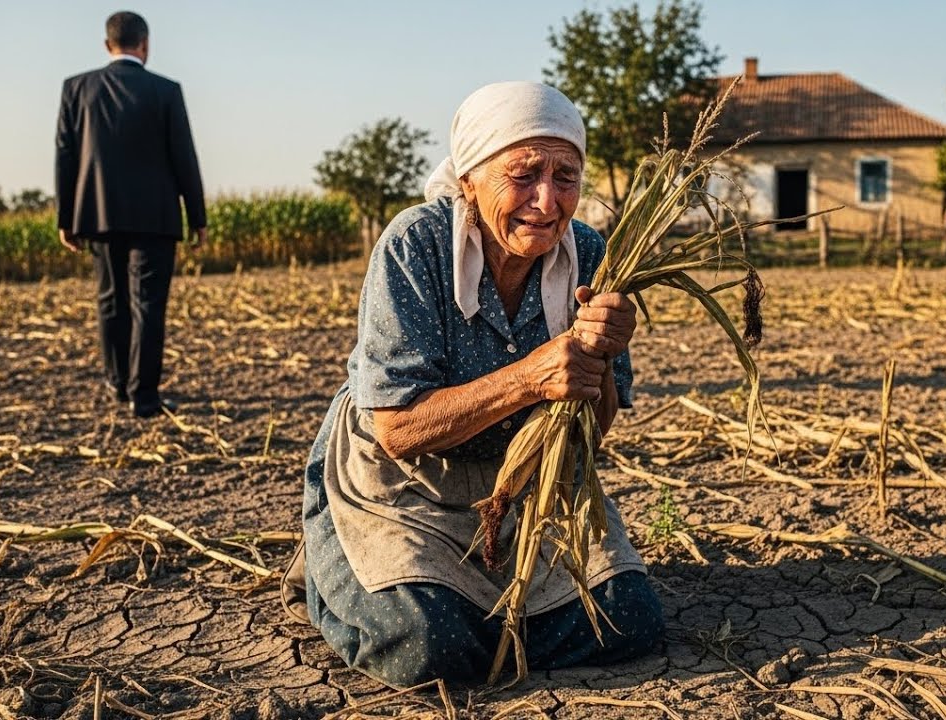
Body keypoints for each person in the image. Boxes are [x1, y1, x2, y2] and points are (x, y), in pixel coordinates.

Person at [297, 81, 664, 689]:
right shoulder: (417, 245)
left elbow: (593, 432)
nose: (546, 200)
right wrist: (531, 377)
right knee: (426, 646)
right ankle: (338, 571)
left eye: (566, 176)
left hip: (524, 490)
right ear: (469, 179)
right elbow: (398, 430)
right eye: (524, 175)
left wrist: (600, 360)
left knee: (629, 619)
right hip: (406, 487)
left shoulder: (590, 252)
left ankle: (479, 625)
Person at [54, 11, 206, 418]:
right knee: (148, 306)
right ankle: (145, 397)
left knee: (110, 301)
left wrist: (66, 217)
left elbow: (65, 155)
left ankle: (117, 384)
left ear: (108, 45)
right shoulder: (166, 90)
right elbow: (184, 157)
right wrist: (197, 217)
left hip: (98, 215)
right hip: (156, 218)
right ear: (145, 44)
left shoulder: (76, 89)